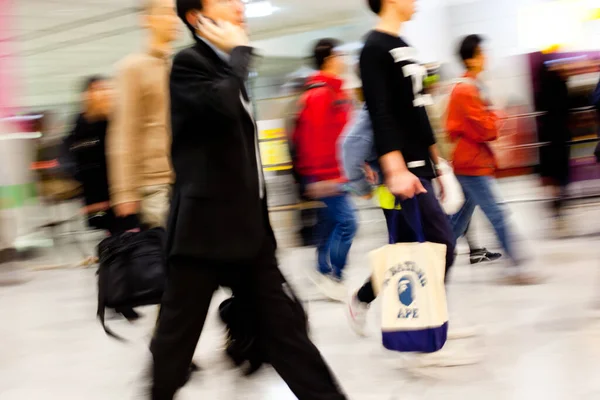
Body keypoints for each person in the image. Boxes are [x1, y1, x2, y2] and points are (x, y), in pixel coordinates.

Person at [149, 1, 348, 399]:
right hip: (203, 235)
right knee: (174, 345)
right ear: (197, 17)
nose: (239, 6)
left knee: (288, 332)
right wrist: (239, 54)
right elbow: (220, 106)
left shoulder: (228, 70)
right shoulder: (189, 65)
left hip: (247, 234)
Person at [346, 0, 456, 341]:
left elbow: (419, 111)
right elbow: (381, 113)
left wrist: (438, 165)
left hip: (420, 164)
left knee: (408, 248)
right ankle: (424, 328)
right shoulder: (373, 48)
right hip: (402, 168)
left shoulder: (404, 47)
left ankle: (368, 301)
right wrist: (394, 168)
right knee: (443, 244)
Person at [447, 34, 539, 285]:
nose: (485, 56)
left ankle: (434, 259)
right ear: (471, 58)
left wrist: (492, 116)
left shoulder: (471, 86)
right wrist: (498, 115)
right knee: (496, 214)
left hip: (471, 161)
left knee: (456, 222)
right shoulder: (466, 90)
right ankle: (518, 266)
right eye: (481, 52)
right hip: (472, 164)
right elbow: (486, 128)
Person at [107, 0, 180, 231]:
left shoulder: (177, 67)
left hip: (184, 178)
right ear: (146, 20)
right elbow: (124, 132)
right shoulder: (132, 68)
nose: (173, 20)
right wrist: (124, 192)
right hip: (154, 185)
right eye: (166, 14)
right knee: (166, 257)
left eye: (174, 14)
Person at [292, 38, 356, 301]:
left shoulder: (336, 92)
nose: (344, 60)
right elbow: (314, 139)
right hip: (326, 173)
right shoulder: (321, 94)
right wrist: (324, 177)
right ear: (329, 59)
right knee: (348, 223)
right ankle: (333, 276)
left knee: (330, 223)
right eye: (340, 55)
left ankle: (321, 268)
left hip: (335, 170)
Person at [64, 76, 116, 233]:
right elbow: (73, 158)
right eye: (97, 90)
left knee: (125, 233)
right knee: (111, 233)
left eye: (106, 89)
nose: (104, 94)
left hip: (118, 191)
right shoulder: (79, 124)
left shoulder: (114, 120)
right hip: (95, 195)